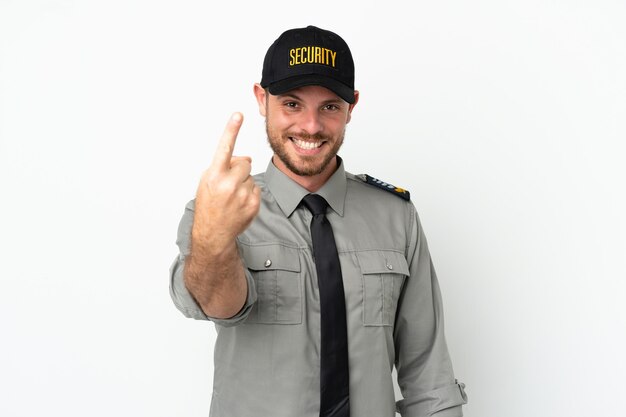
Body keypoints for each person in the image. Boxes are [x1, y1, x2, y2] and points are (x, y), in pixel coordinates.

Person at [169, 25, 467, 417]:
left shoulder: (397, 217)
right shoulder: (220, 211)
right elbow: (216, 305)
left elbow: (428, 378)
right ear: (262, 99)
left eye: (328, 106)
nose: (310, 126)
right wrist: (216, 234)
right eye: (292, 104)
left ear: (351, 107)